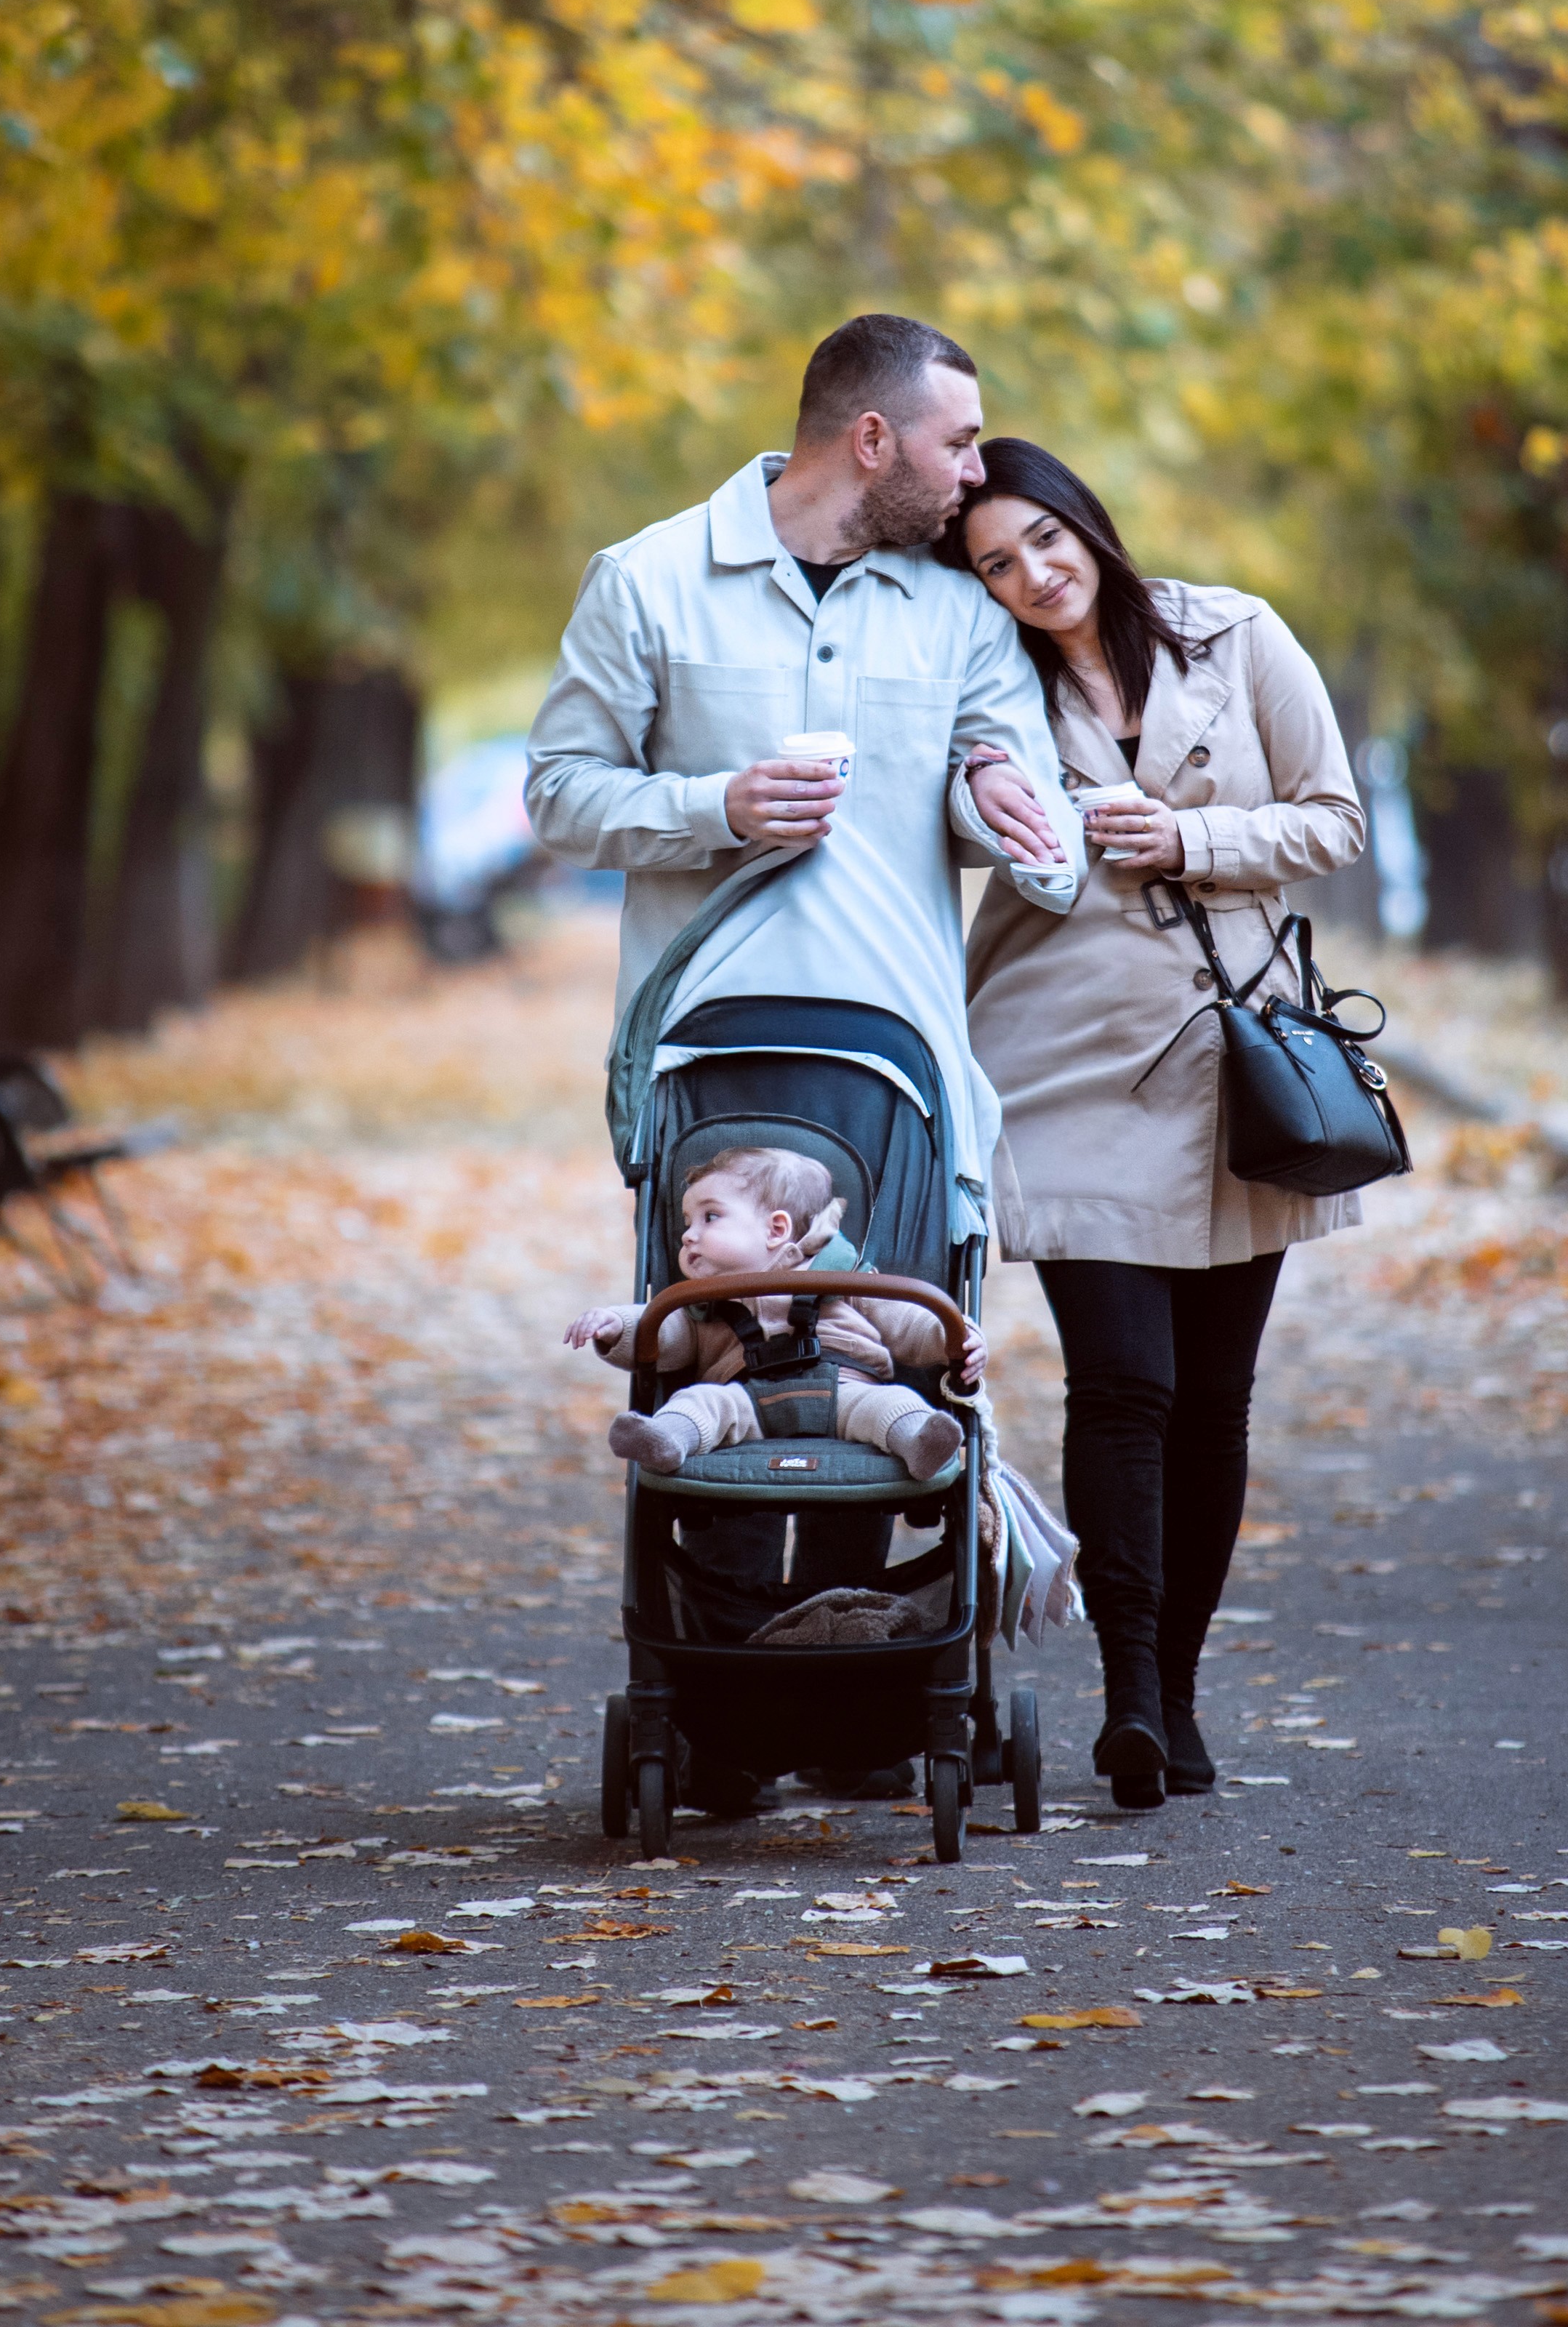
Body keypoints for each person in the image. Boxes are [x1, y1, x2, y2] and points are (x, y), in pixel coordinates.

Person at [526, 317, 1084, 1801]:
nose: (981, 471)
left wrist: (1009, 807)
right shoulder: (648, 578)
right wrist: (718, 806)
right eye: (961, 442)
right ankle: (715, 1708)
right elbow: (562, 797)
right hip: (708, 1060)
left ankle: (853, 1702)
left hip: (905, 1071)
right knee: (717, 1355)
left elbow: (1021, 792)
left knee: (876, 1357)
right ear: (874, 440)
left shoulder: (957, 611)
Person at [939, 438, 1367, 1811]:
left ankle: (1176, 1696)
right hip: (1061, 1065)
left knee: (1215, 1402)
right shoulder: (983, 681)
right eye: (995, 563)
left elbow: (1333, 822)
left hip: (1234, 1061)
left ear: (1087, 523)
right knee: (1124, 1385)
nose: (1032, 576)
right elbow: (940, 816)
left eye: (1044, 541)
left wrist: (1190, 841)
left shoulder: (1236, 636)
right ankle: (1128, 1696)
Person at [570, 1145, 986, 1482]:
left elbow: (906, 1322)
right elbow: (663, 1337)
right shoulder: (700, 1301)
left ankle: (920, 1442)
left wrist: (953, 1335)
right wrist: (617, 1327)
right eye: (686, 1222)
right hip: (745, 1398)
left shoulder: (843, 1275)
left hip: (846, 1389)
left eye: (710, 1217)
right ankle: (665, 1439)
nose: (688, 1235)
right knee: (699, 1402)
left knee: (893, 1404)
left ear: (776, 1230)